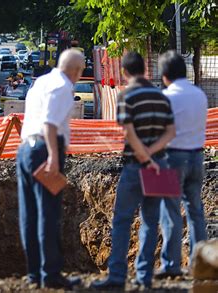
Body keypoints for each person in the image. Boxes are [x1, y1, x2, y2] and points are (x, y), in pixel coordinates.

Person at [91, 52, 176, 290]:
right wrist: (153, 155)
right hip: (160, 164)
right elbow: (171, 132)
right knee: (151, 221)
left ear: (125, 73)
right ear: (145, 70)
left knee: (122, 221)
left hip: (135, 165)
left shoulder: (126, 95)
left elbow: (128, 132)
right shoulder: (161, 96)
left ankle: (117, 276)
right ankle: (144, 277)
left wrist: (143, 156)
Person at [16, 49, 85, 289]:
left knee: (29, 215)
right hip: (45, 150)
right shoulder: (63, 87)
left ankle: (35, 273)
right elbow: (49, 123)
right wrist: (54, 157)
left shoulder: (41, 82)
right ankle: (51, 274)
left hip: (25, 149)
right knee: (48, 213)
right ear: (76, 70)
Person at [155, 50, 208, 278]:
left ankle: (171, 264)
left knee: (170, 212)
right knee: (196, 211)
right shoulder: (199, 95)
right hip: (197, 157)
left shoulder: (166, 98)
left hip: (171, 158)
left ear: (165, 74)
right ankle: (202, 264)